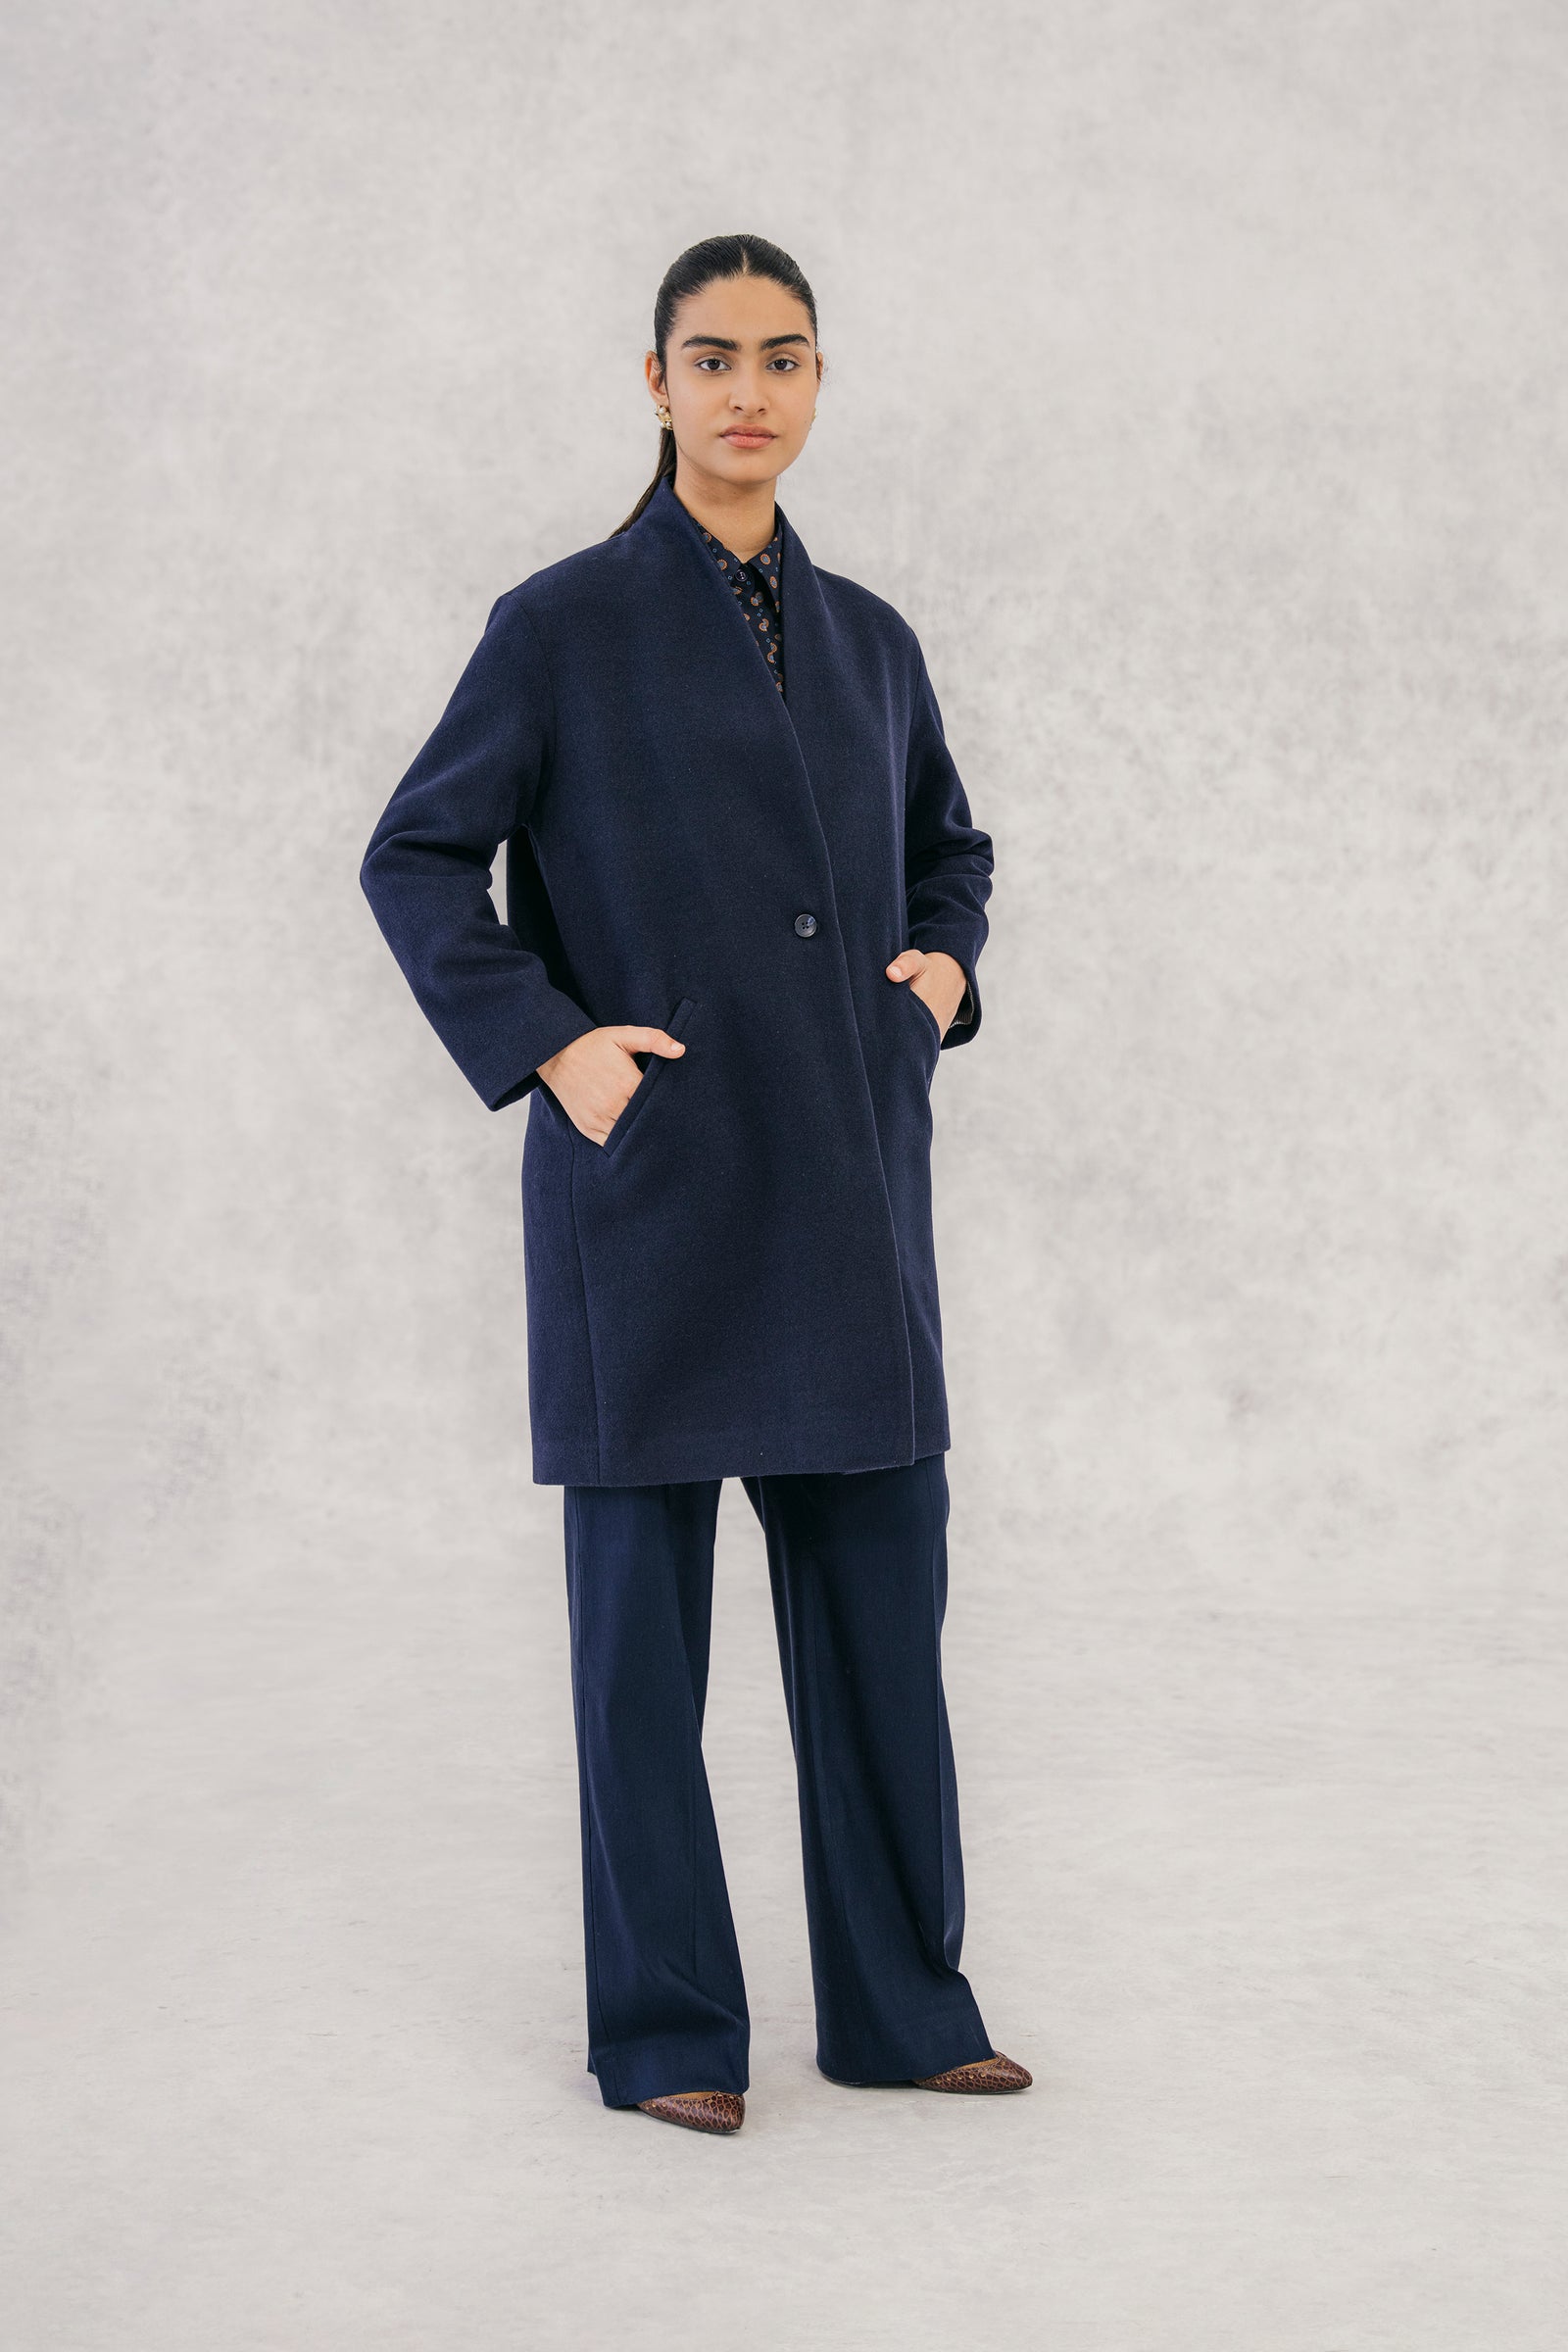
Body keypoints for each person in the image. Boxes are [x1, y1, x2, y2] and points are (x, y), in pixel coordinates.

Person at [360, 233, 1029, 2134]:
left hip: (848, 1198)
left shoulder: (872, 639)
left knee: (882, 1611)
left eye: (784, 357)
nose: (750, 390)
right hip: (655, 1199)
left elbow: (952, 847)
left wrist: (940, 974)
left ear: (819, 383)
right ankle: (667, 2036)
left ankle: (902, 2008)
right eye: (714, 356)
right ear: (652, 382)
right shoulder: (558, 625)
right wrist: (552, 1045)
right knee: (640, 1651)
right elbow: (417, 857)